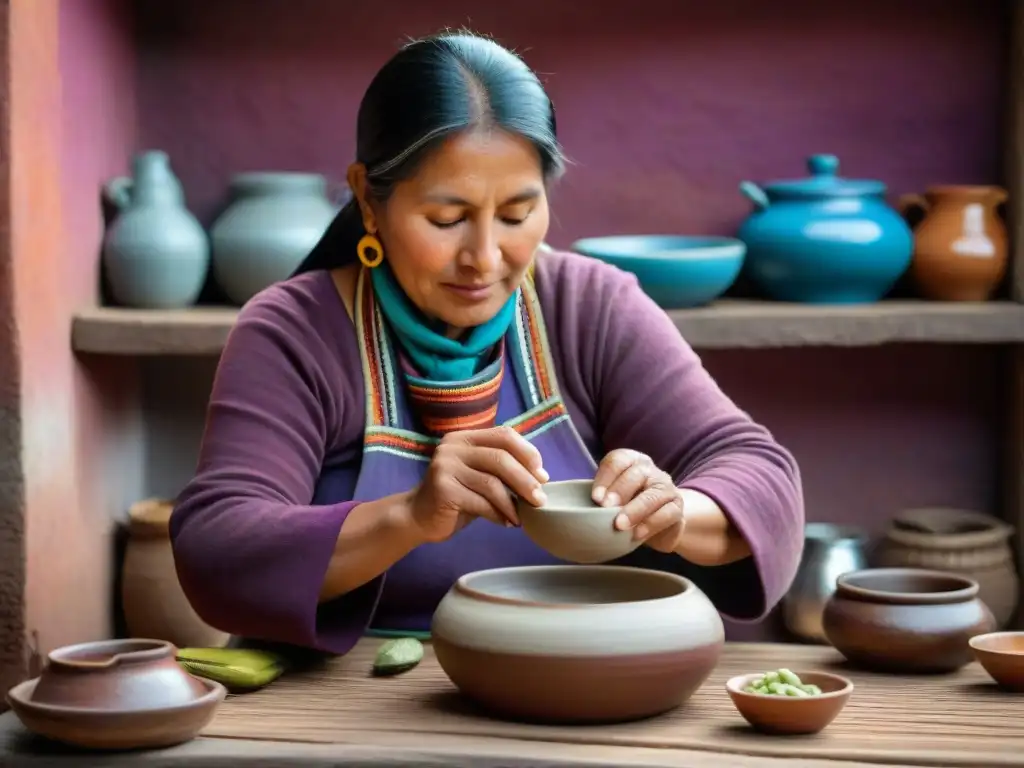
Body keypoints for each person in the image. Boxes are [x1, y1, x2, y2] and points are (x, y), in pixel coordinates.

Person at [170, 31, 805, 654]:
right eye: (446, 220)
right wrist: (409, 517)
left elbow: (761, 475)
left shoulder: (592, 309)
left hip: (575, 681)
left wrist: (674, 512)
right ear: (368, 199)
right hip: (353, 702)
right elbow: (216, 545)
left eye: (516, 215)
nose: (484, 257)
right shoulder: (296, 332)